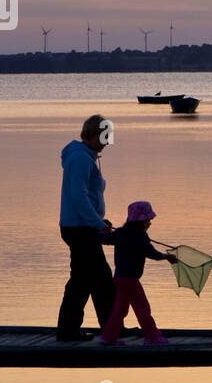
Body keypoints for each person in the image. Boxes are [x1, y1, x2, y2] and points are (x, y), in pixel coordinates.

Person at [56, 114, 116, 342]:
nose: (106, 143)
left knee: (100, 278)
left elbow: (88, 197)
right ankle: (68, 331)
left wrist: (100, 220)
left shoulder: (88, 157)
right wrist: (98, 224)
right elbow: (78, 197)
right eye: (103, 137)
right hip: (78, 228)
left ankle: (111, 327)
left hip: (84, 226)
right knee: (83, 280)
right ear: (91, 135)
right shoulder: (80, 159)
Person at [100, 202, 177, 346]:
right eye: (148, 220)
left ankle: (108, 337)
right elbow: (152, 253)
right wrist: (167, 257)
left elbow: (103, 239)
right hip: (131, 280)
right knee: (142, 307)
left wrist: (104, 230)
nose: (150, 223)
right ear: (142, 221)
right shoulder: (141, 236)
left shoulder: (120, 233)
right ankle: (152, 336)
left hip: (119, 279)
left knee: (120, 309)